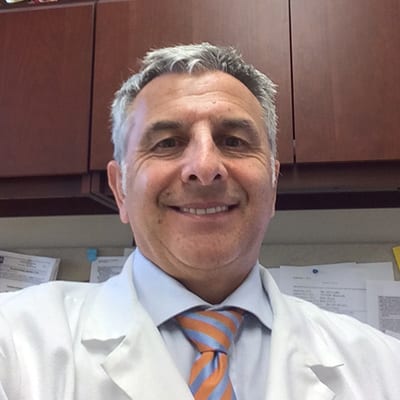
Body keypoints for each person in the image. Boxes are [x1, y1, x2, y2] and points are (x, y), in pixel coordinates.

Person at [0, 43, 399, 400]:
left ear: (273, 184)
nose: (205, 167)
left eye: (233, 141)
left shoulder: (384, 367)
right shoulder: (14, 343)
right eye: (167, 143)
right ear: (120, 189)